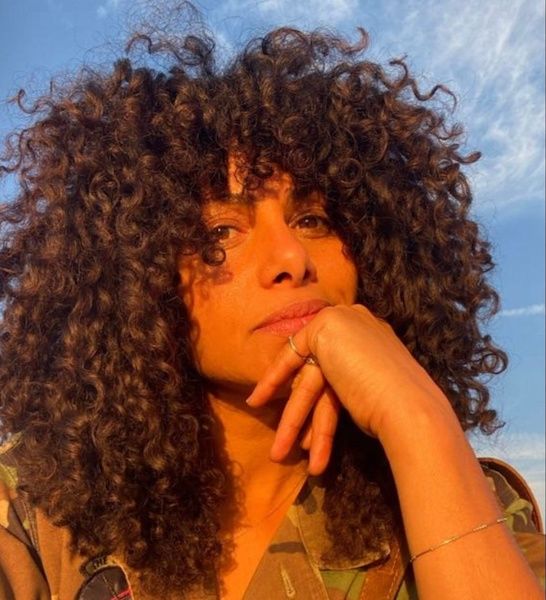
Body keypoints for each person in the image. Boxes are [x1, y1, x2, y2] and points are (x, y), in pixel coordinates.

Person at [0, 11, 544, 600]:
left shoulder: (463, 497)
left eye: (312, 220)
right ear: (134, 273)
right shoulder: (37, 505)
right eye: (221, 231)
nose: (291, 258)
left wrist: (418, 417)